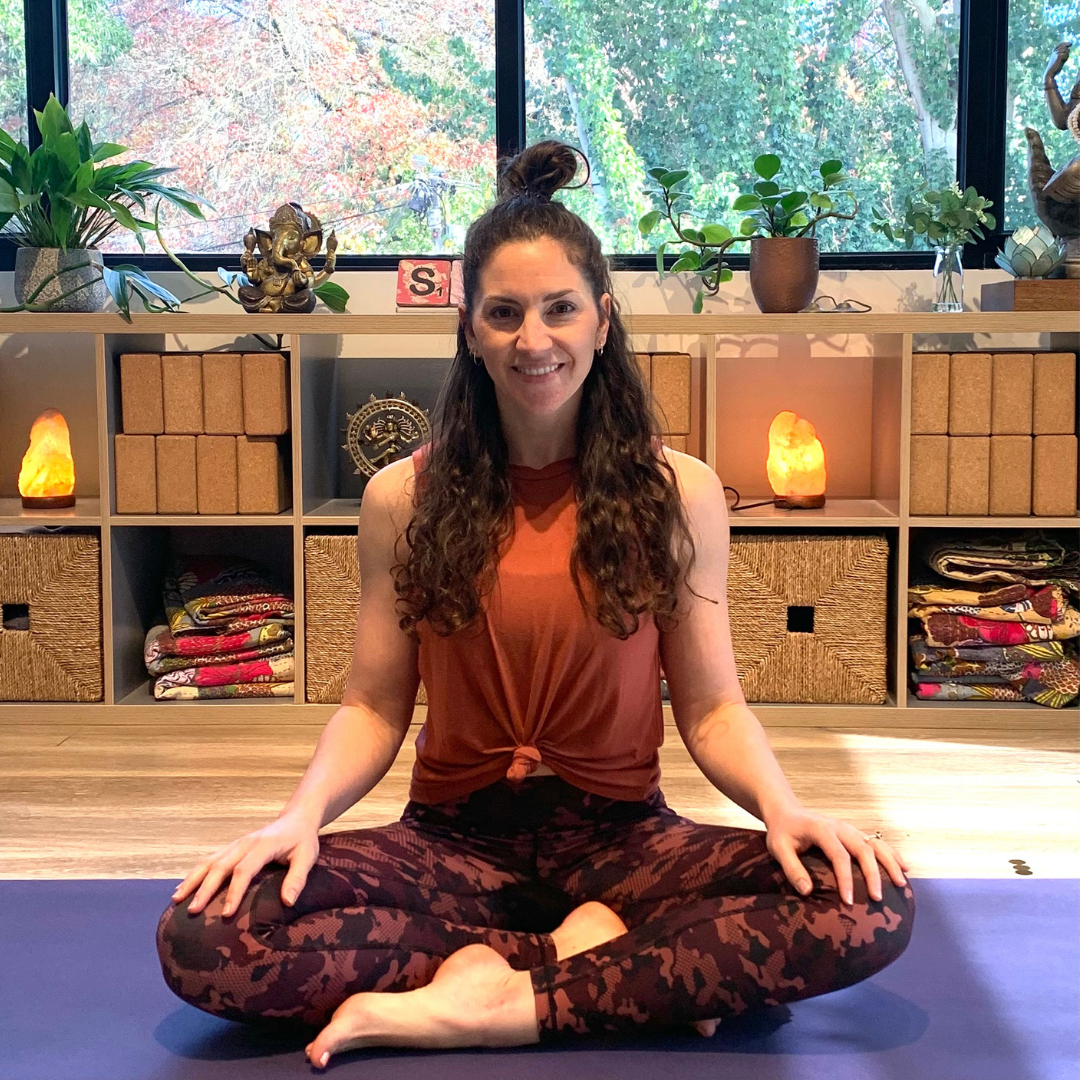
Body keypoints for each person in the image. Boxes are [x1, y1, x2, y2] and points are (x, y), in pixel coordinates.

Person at [157, 140, 914, 1069]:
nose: (534, 340)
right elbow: (373, 707)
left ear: (602, 319)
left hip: (624, 841)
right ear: (470, 329)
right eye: (504, 313)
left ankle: (493, 999)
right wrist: (297, 819)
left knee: (867, 901)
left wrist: (784, 809)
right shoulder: (403, 497)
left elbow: (713, 709)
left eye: (560, 309)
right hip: (452, 846)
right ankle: (600, 963)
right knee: (207, 936)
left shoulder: (678, 493)